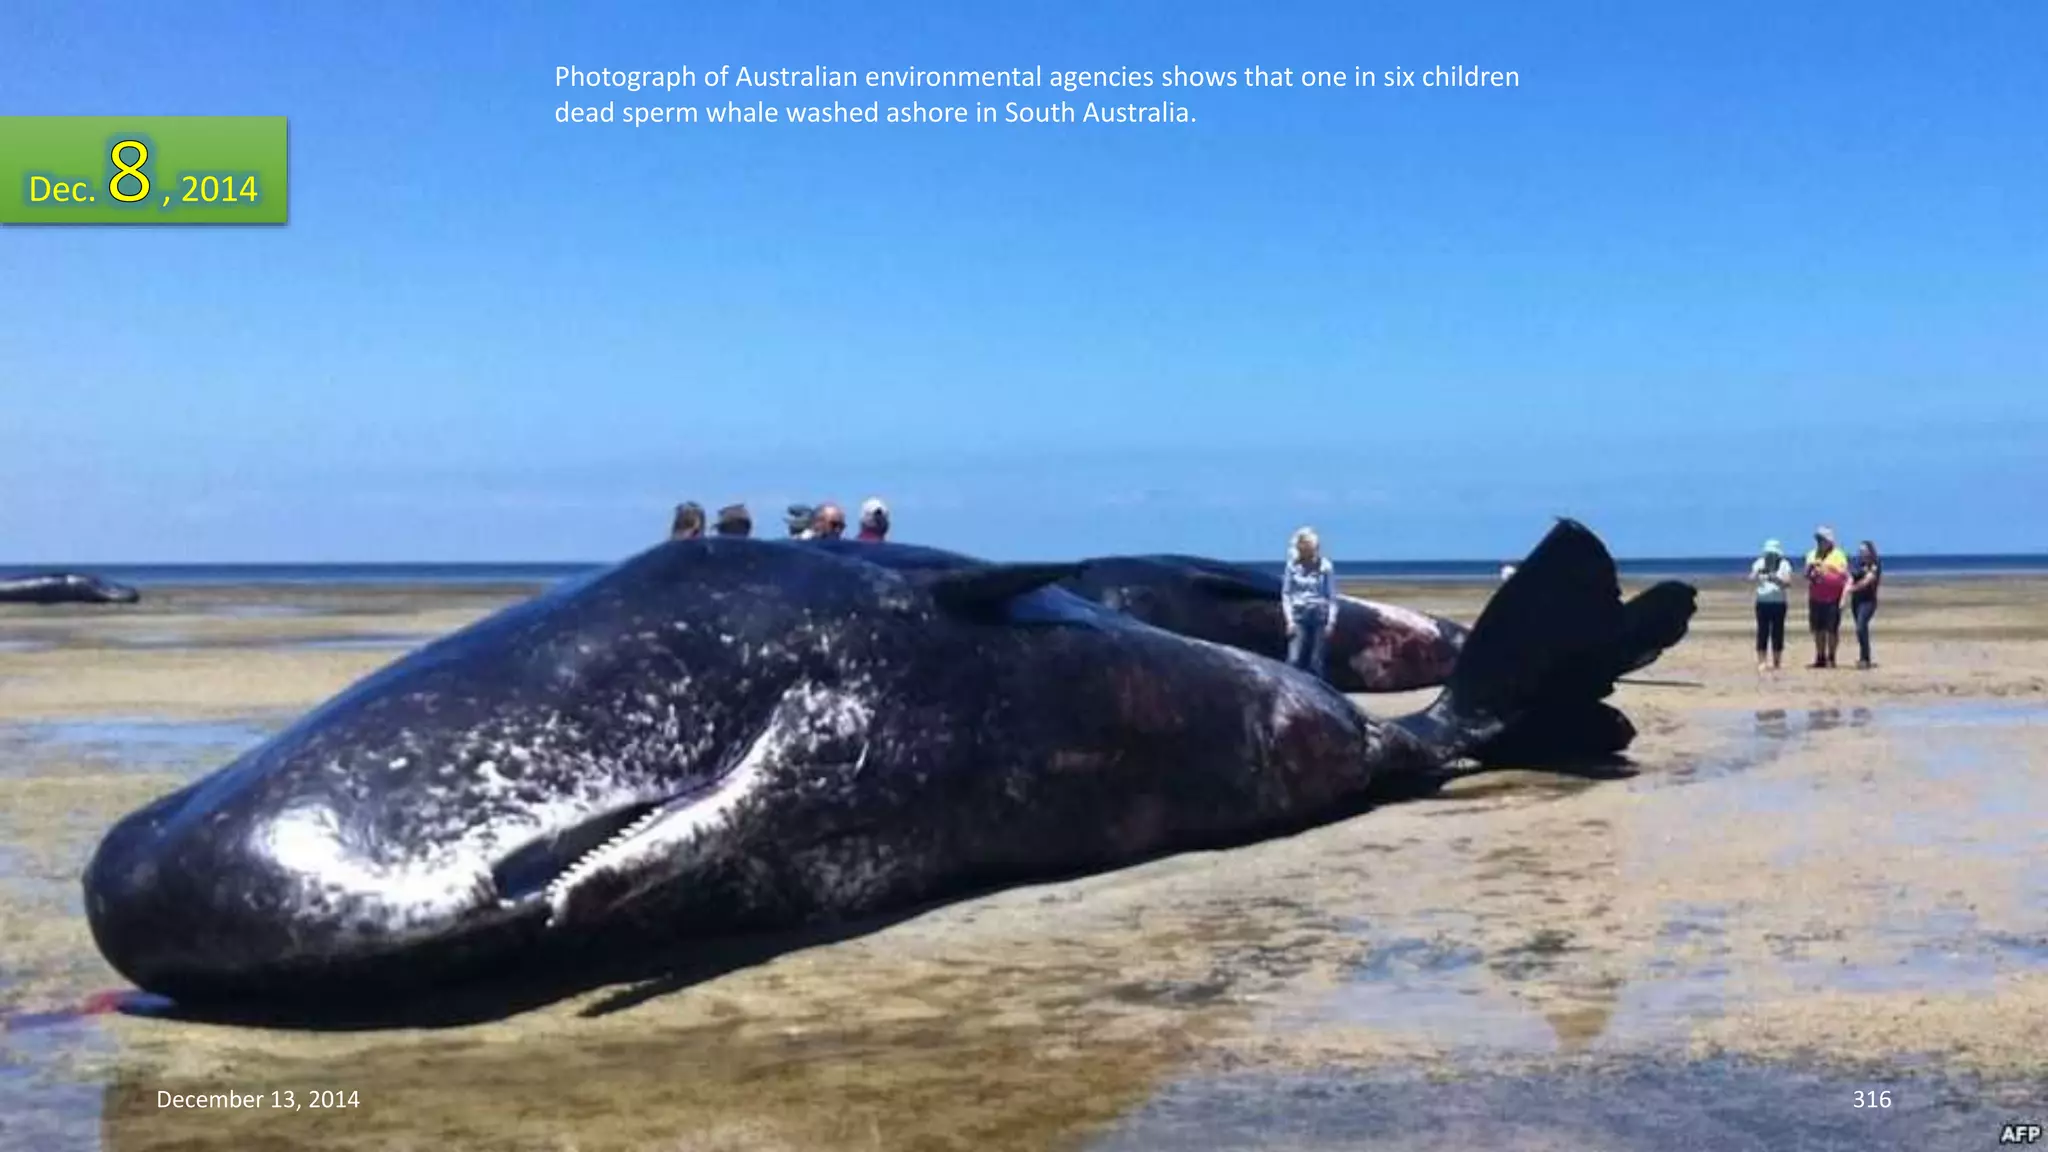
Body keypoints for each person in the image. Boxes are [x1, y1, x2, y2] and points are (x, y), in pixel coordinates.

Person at [1281, 527, 1338, 680]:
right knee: (1294, 658)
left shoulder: (1325, 566)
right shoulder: (1292, 566)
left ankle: (1319, 693)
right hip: (1299, 614)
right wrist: (1289, 621)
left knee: (1317, 661)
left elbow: (1331, 595)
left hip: (1319, 614)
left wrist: (1331, 622)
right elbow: (1286, 593)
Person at [1803, 526, 1851, 669]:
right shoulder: (1812, 554)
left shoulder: (1838, 555)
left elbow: (1844, 575)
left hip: (1833, 598)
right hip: (1816, 597)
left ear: (1829, 541)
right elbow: (1806, 575)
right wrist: (1811, 570)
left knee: (1832, 630)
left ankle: (1831, 657)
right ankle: (1820, 656)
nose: (1819, 542)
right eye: (1818, 539)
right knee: (1818, 629)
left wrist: (1827, 569)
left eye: (1822, 539)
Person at [1749, 538, 1793, 672]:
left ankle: (1777, 662)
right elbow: (1750, 578)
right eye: (1769, 553)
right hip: (1762, 602)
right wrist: (1758, 573)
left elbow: (1788, 583)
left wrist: (1775, 578)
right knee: (1762, 632)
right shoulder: (1759, 563)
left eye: (1773, 553)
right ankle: (1761, 661)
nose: (1771, 556)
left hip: (1779, 603)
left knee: (1777, 633)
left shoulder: (1785, 564)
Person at [1849, 539, 1882, 669]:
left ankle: (1865, 658)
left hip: (1869, 601)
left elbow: (1868, 580)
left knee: (1860, 626)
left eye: (1864, 550)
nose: (1862, 552)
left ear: (1870, 551)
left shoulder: (1875, 564)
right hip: (1856, 601)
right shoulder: (1857, 563)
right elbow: (1850, 576)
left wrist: (1851, 589)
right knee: (1861, 630)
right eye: (1860, 550)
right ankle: (1864, 657)